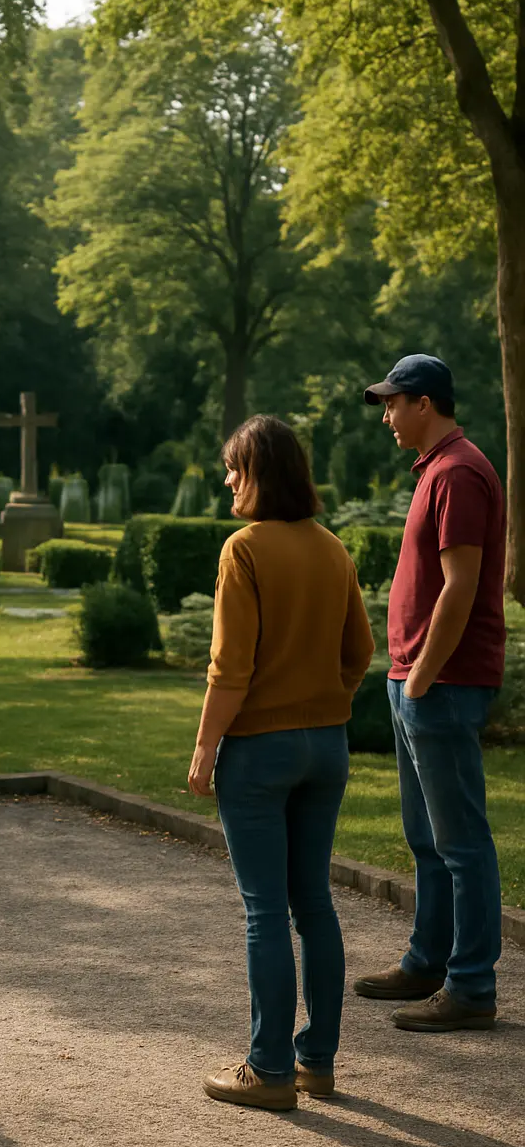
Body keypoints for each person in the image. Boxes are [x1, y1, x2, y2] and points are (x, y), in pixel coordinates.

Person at [189, 415, 374, 1111]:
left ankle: (267, 1070)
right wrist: (325, 704)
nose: (227, 480)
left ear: (260, 473)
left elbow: (229, 666)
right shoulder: (333, 549)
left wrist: (206, 746)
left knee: (265, 911)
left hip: (259, 753)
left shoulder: (244, 549)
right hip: (326, 747)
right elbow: (360, 652)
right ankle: (315, 1065)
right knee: (313, 904)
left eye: (234, 468)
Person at [355, 355, 507, 1031]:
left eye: (392, 403)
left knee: (461, 843)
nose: (387, 416)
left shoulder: (459, 473)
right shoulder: (436, 470)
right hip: (417, 680)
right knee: (427, 839)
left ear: (424, 403)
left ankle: (470, 987)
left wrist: (420, 674)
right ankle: (427, 962)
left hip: (441, 682)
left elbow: (461, 585)